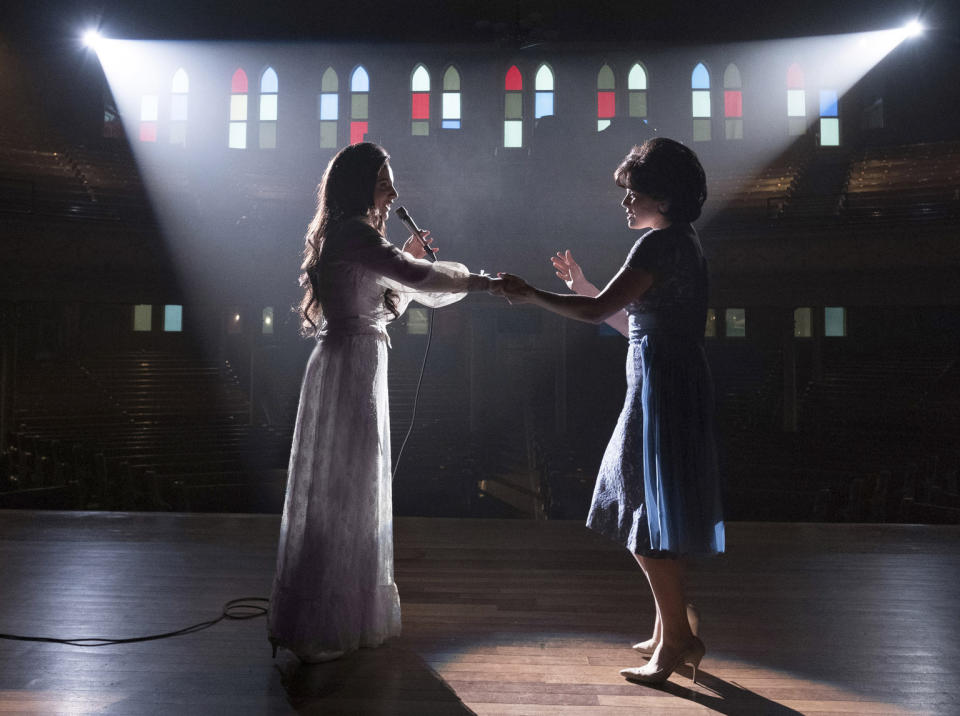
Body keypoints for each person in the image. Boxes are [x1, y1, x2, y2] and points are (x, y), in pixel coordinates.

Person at [494, 138, 724, 685]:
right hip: (674, 379)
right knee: (659, 510)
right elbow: (631, 324)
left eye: (633, 193)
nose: (624, 203)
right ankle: (671, 629)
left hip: (661, 391)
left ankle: (678, 641)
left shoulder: (655, 247)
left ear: (663, 197)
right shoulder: (683, 242)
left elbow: (601, 313)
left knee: (643, 512)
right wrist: (582, 285)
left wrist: (534, 295)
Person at [268, 142, 496, 663]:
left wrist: (407, 260)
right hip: (350, 366)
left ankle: (333, 616)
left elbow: (388, 297)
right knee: (342, 488)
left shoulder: (353, 236)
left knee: (351, 486)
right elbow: (416, 279)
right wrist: (482, 281)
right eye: (383, 182)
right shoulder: (354, 233)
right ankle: (322, 623)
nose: (393, 193)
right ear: (360, 187)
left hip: (355, 361)